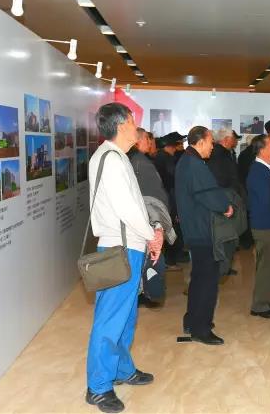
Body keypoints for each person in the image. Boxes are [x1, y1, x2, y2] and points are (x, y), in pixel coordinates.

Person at [85, 103, 163, 413]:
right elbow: (127, 209)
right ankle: (98, 387)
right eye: (132, 121)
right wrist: (151, 234)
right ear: (120, 126)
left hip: (127, 245)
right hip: (121, 248)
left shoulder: (115, 156)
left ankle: (120, 369)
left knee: (125, 317)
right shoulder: (112, 159)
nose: (136, 126)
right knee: (110, 319)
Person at [176, 126, 233, 345]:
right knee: (208, 280)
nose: (212, 147)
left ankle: (192, 320)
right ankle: (201, 329)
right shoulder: (195, 164)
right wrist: (226, 206)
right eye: (210, 142)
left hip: (194, 229)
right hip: (202, 230)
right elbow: (209, 194)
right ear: (200, 142)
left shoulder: (186, 160)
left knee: (199, 278)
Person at [127, 128, 174, 306]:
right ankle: (147, 292)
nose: (150, 142)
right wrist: (158, 223)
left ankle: (143, 292)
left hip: (143, 220)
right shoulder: (141, 163)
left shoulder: (137, 160)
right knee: (150, 260)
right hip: (149, 221)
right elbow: (151, 198)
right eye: (147, 139)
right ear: (138, 141)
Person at [247, 135, 270, 319]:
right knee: (267, 267)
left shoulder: (266, 168)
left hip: (269, 224)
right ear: (262, 149)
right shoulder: (258, 171)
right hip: (265, 226)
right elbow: (269, 200)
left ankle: (264, 299)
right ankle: (260, 306)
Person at [207, 128, 243, 278]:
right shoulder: (218, 155)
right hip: (225, 199)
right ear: (226, 139)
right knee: (225, 237)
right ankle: (221, 268)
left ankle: (225, 267)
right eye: (233, 138)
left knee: (229, 236)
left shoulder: (224, 153)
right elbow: (221, 179)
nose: (235, 141)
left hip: (228, 197)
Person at [153, 132, 188, 270]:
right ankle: (170, 260)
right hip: (167, 199)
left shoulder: (163, 157)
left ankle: (173, 257)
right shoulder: (165, 159)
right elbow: (172, 179)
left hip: (167, 198)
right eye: (175, 145)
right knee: (171, 228)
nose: (177, 148)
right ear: (169, 146)